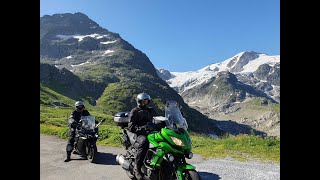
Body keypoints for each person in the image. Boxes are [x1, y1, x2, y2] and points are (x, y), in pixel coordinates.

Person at [128, 92, 157, 179]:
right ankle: (137, 168)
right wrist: (143, 129)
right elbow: (131, 127)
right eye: (143, 101)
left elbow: (157, 119)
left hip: (152, 133)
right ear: (139, 101)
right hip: (139, 134)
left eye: (147, 101)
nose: (145, 103)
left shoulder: (151, 110)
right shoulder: (135, 111)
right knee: (144, 142)